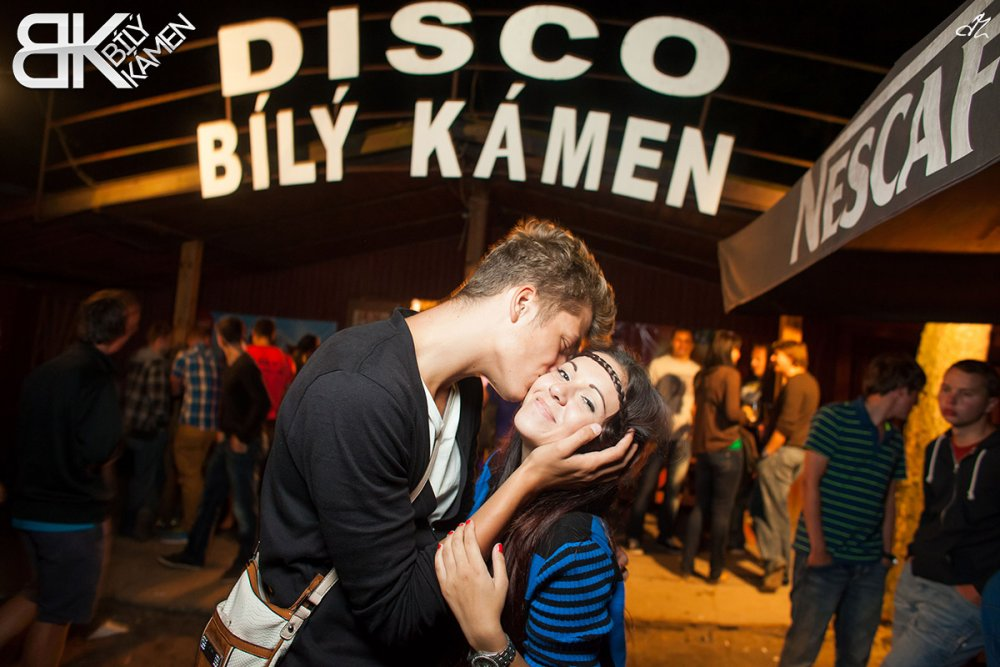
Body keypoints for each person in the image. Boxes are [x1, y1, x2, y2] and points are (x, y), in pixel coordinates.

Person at [256, 218, 634, 666]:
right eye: (565, 346)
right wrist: (530, 477)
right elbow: (397, 614)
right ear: (523, 303)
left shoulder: (467, 389)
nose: (556, 370)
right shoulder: (358, 392)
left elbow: (443, 537)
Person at [435, 347, 666, 666]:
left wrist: (486, 635)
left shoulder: (577, 550)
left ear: (605, 449)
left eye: (587, 401)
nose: (558, 390)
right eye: (565, 373)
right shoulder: (496, 469)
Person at [0, 289, 138, 667]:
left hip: (28, 509)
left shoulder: (45, 370)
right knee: (57, 613)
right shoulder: (96, 377)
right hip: (68, 517)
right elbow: (100, 447)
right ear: (123, 330)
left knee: (38, 592)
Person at [779, 353, 926, 667]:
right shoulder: (834, 418)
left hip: (869, 563)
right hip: (824, 559)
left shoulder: (894, 439)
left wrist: (885, 554)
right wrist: (818, 548)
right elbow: (810, 483)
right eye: (915, 395)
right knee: (802, 650)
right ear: (901, 390)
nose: (915, 403)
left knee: (855, 655)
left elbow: (888, 498)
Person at [882, 360, 999, 667]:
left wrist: (979, 586)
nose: (951, 400)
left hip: (962, 591)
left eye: (966, 393)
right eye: (946, 389)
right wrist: (914, 555)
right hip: (917, 578)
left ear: (990, 403)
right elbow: (933, 511)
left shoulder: (996, 456)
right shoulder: (936, 448)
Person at [159, 316, 270, 578]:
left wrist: (242, 436)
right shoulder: (232, 363)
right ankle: (194, 553)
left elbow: (262, 403)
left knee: (243, 507)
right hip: (227, 442)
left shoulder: (245, 365)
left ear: (220, 339)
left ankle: (246, 564)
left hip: (241, 445)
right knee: (210, 497)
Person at [752, 340, 820, 591]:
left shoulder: (795, 384)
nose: (773, 360)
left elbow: (786, 425)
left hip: (783, 453)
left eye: (777, 355)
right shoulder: (811, 383)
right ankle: (782, 567)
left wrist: (767, 453)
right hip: (799, 452)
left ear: (791, 357)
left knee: (767, 508)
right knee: (777, 508)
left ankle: (775, 563)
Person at [681, 329, 748, 583]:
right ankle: (715, 571)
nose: (739, 354)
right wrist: (746, 415)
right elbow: (731, 413)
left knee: (699, 507)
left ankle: (687, 565)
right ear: (728, 350)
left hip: (704, 450)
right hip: (727, 449)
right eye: (737, 349)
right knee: (722, 511)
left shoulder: (703, 375)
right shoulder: (730, 374)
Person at [625, 328, 699, 552]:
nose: (682, 344)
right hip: (658, 435)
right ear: (672, 342)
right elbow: (646, 396)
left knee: (674, 489)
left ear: (692, 345)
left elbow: (696, 405)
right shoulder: (659, 364)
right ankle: (633, 536)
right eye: (678, 340)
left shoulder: (696, 370)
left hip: (683, 436)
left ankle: (665, 535)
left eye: (686, 341)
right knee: (647, 485)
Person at [166, 322, 220, 543]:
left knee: (190, 477)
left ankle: (191, 527)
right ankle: (202, 524)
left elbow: (174, 386)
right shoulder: (216, 359)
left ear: (191, 338)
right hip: (211, 427)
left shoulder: (184, 357)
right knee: (199, 474)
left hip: (191, 423)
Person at [120, 321, 173, 541]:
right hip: (149, 429)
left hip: (131, 426)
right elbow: (157, 399)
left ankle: (126, 523)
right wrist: (163, 422)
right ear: (161, 340)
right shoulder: (156, 364)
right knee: (148, 480)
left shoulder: (136, 359)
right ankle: (139, 528)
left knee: (134, 478)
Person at [246, 317, 295, 448]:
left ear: (254, 333)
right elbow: (287, 391)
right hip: (272, 423)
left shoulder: (245, 354)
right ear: (273, 335)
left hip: (247, 422)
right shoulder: (286, 360)